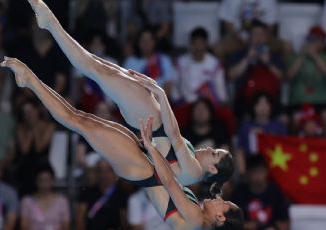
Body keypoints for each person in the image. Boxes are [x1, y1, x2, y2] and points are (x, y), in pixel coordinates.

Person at [1, 55, 243, 229]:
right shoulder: (197, 214)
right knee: (81, 119)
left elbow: (169, 182)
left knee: (79, 122)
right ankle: (29, 80)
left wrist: (150, 145)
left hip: (142, 169)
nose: (219, 200)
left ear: (220, 218)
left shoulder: (196, 222)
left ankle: (30, 80)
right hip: (144, 165)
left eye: (224, 204)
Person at [26, 0, 234, 188]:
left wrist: (160, 93)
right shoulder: (192, 170)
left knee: (94, 67)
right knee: (97, 66)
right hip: (147, 116)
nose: (209, 148)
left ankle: (51, 23)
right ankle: (49, 25)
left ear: (213, 170)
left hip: (148, 115)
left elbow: (175, 138)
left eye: (214, 154)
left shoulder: (195, 171)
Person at [228, 20, 283, 120]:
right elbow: (231, 75)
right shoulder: (239, 54)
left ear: (266, 37)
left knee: (283, 118)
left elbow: (281, 76)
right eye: (255, 34)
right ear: (249, 37)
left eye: (261, 34)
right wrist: (247, 59)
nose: (258, 38)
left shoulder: (274, 55)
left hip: (270, 98)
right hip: (245, 100)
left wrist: (268, 63)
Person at [232, 155, 289, 230]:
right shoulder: (239, 193)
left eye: (260, 172)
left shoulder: (275, 192)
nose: (258, 177)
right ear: (248, 173)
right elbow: (229, 222)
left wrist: (275, 227)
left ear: (266, 171)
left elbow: (285, 222)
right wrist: (246, 225)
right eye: (254, 172)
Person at [235, 93, 286, 175]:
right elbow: (240, 151)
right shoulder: (245, 127)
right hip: (251, 169)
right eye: (259, 103)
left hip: (275, 167)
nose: (263, 107)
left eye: (266, 103)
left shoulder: (280, 127)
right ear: (253, 107)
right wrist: (242, 172)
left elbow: (285, 148)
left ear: (271, 107)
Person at [15, 99, 56, 196]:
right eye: (25, 112)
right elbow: (24, 150)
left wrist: (35, 127)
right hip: (26, 164)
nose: (28, 115)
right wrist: (30, 130)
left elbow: (39, 148)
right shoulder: (20, 128)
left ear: (37, 111)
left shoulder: (49, 126)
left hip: (43, 162)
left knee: (40, 173)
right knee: (24, 173)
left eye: (30, 111)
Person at [177, 27, 228, 105]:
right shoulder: (181, 62)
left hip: (208, 106)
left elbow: (220, 91)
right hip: (186, 104)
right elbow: (175, 88)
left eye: (200, 44)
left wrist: (222, 102)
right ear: (191, 44)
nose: (198, 48)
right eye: (195, 44)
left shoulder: (215, 64)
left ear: (206, 44)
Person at [123, 28, 177, 98]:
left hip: (159, 101)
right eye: (143, 40)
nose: (146, 43)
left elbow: (168, 85)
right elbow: (125, 85)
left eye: (149, 40)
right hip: (135, 100)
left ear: (154, 42)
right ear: (138, 43)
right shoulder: (130, 61)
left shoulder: (163, 60)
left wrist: (157, 101)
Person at [76, 159, 127, 230]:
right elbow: (80, 219)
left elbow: (124, 223)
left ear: (115, 173)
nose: (104, 174)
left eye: (108, 170)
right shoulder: (88, 193)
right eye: (100, 170)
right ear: (96, 173)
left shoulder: (122, 195)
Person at [20, 163, 70, 230]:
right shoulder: (27, 201)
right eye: (41, 180)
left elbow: (66, 227)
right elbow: (24, 227)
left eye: (47, 180)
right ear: (36, 181)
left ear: (52, 180)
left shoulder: (62, 201)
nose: (44, 185)